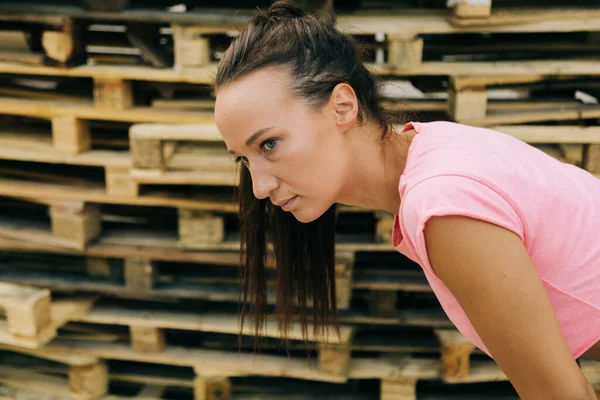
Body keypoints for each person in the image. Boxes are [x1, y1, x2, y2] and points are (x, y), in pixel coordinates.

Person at [212, 1, 600, 398]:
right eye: (245, 158)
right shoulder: (431, 146)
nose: (258, 187)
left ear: (342, 106)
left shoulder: (444, 205)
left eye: (270, 143)